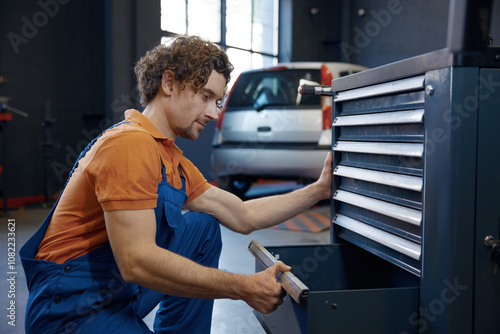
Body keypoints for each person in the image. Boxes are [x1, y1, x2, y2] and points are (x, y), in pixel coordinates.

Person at [20, 35, 333, 334]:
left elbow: (242, 215)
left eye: (218, 100)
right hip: (70, 310)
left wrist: (319, 189)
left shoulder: (171, 159)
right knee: (164, 246)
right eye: (205, 96)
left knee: (201, 227)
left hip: (115, 292)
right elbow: (136, 262)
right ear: (169, 83)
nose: (213, 112)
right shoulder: (129, 144)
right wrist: (242, 287)